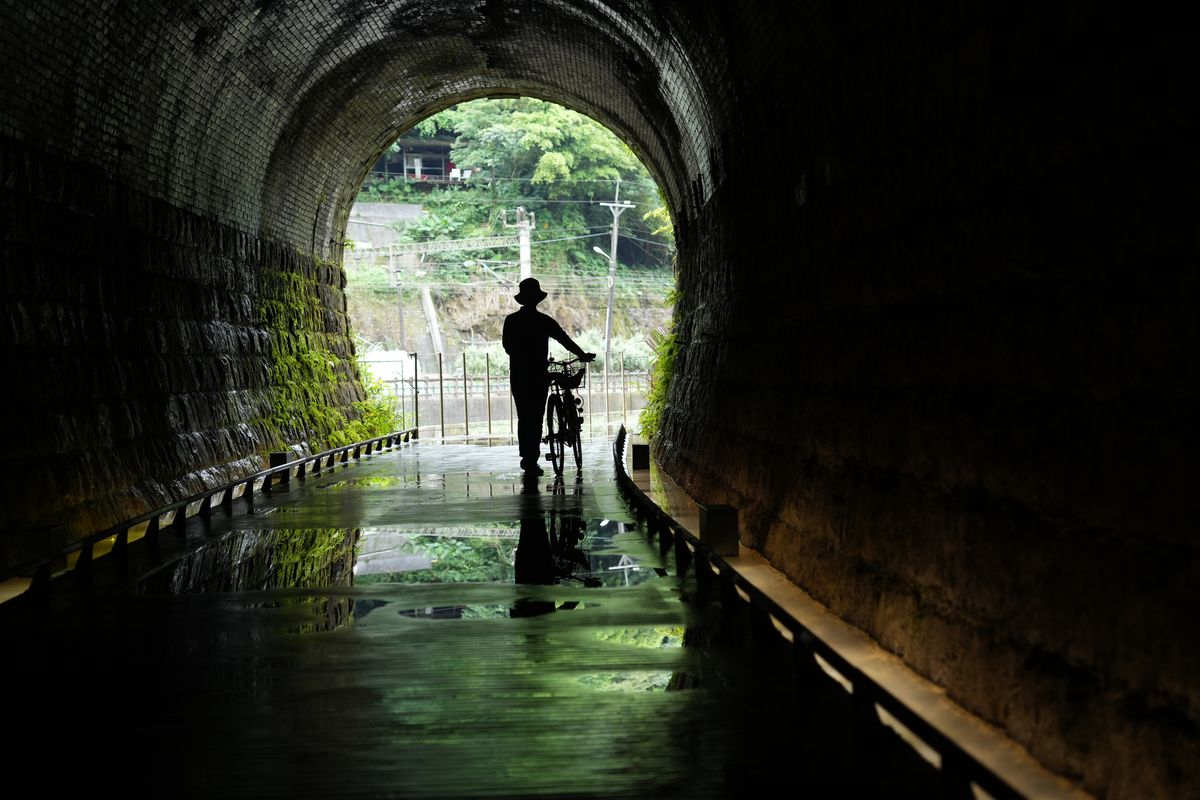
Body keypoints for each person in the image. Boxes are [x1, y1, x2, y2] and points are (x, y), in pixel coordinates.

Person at [502, 277, 595, 475]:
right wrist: (582, 355)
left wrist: (522, 354)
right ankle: (531, 459)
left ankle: (527, 459)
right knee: (536, 417)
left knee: (524, 417)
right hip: (538, 375)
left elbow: (508, 348)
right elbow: (565, 340)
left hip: (519, 376)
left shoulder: (511, 321)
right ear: (537, 299)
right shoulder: (544, 321)